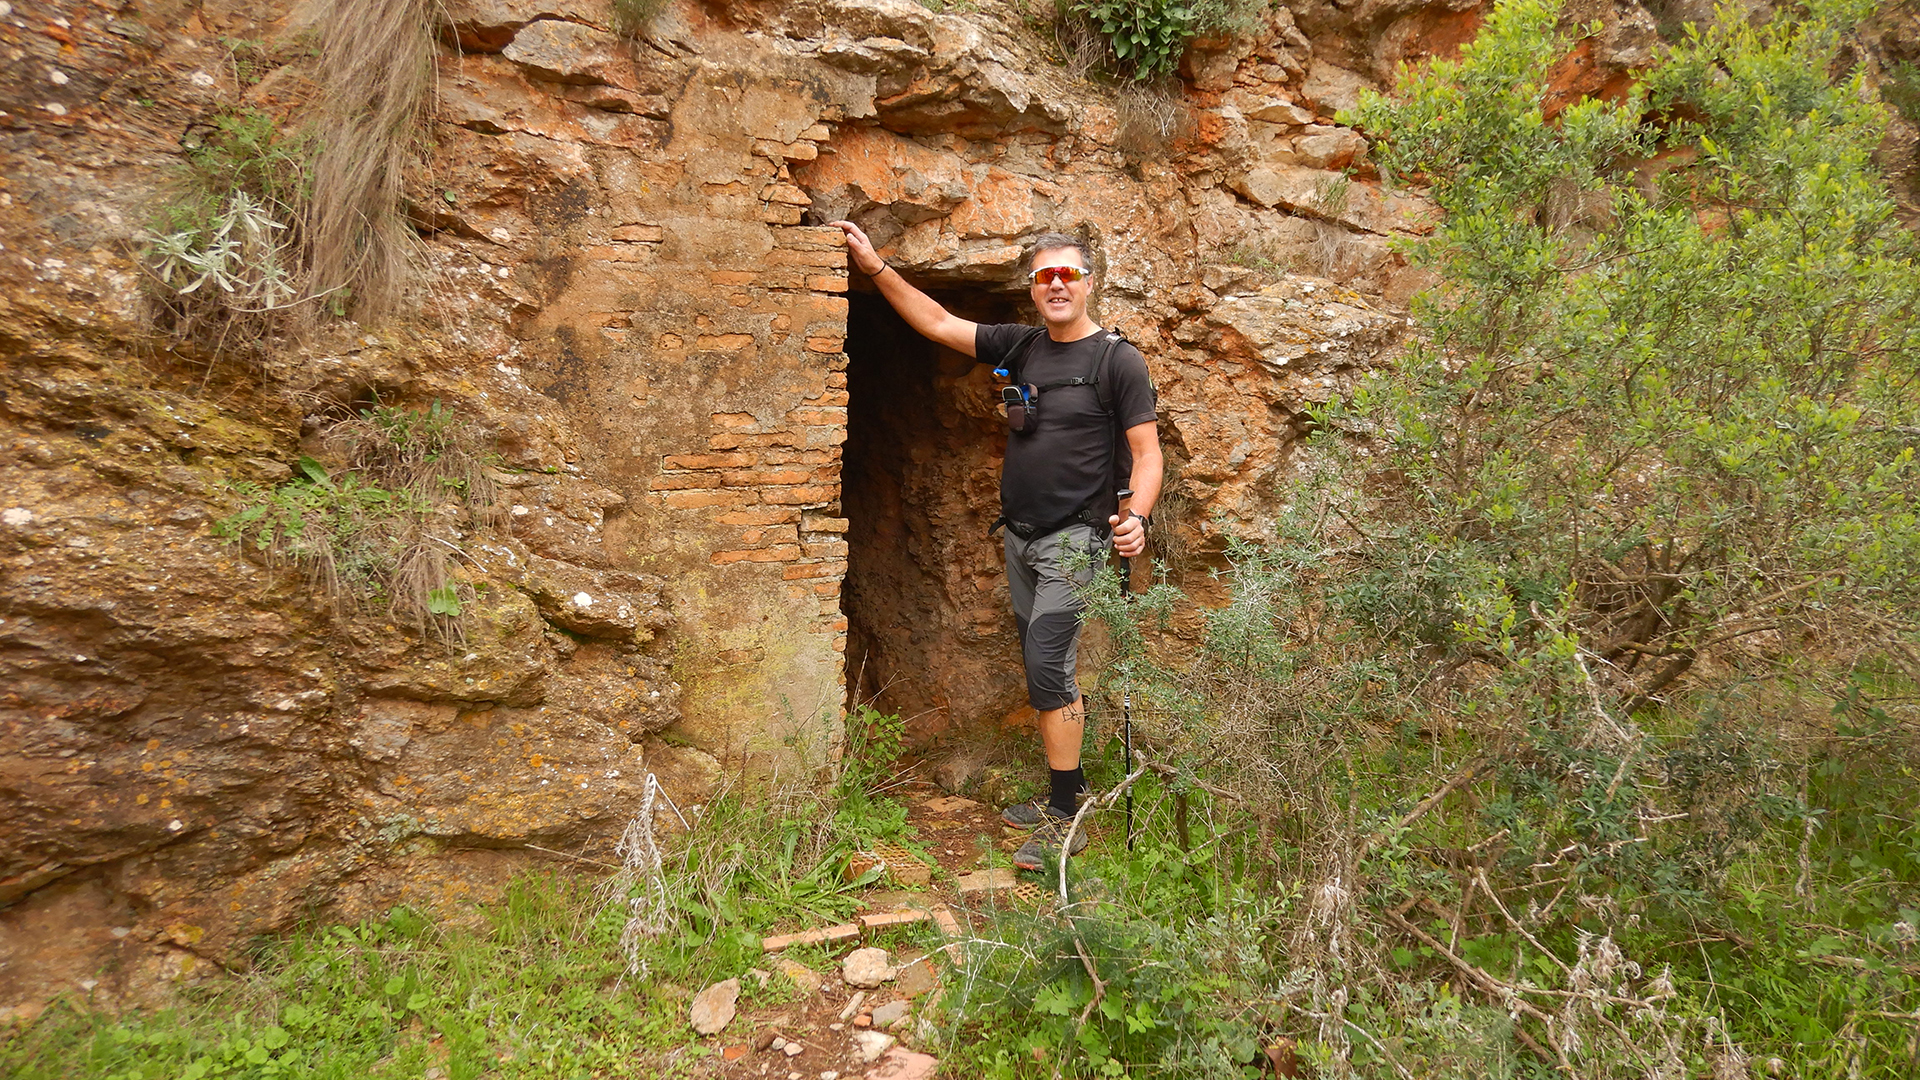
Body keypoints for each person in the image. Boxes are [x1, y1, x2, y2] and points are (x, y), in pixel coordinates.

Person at [831, 221, 1163, 870]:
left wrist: (1138, 515)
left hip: (1079, 539)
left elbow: (1146, 454)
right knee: (1047, 664)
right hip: (1021, 537)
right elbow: (935, 321)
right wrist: (874, 267)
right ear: (1033, 288)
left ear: (1089, 282)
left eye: (1069, 273)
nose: (1057, 284)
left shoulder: (1116, 360)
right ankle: (1067, 790)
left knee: (1045, 661)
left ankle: (1068, 820)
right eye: (1046, 276)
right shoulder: (1024, 348)